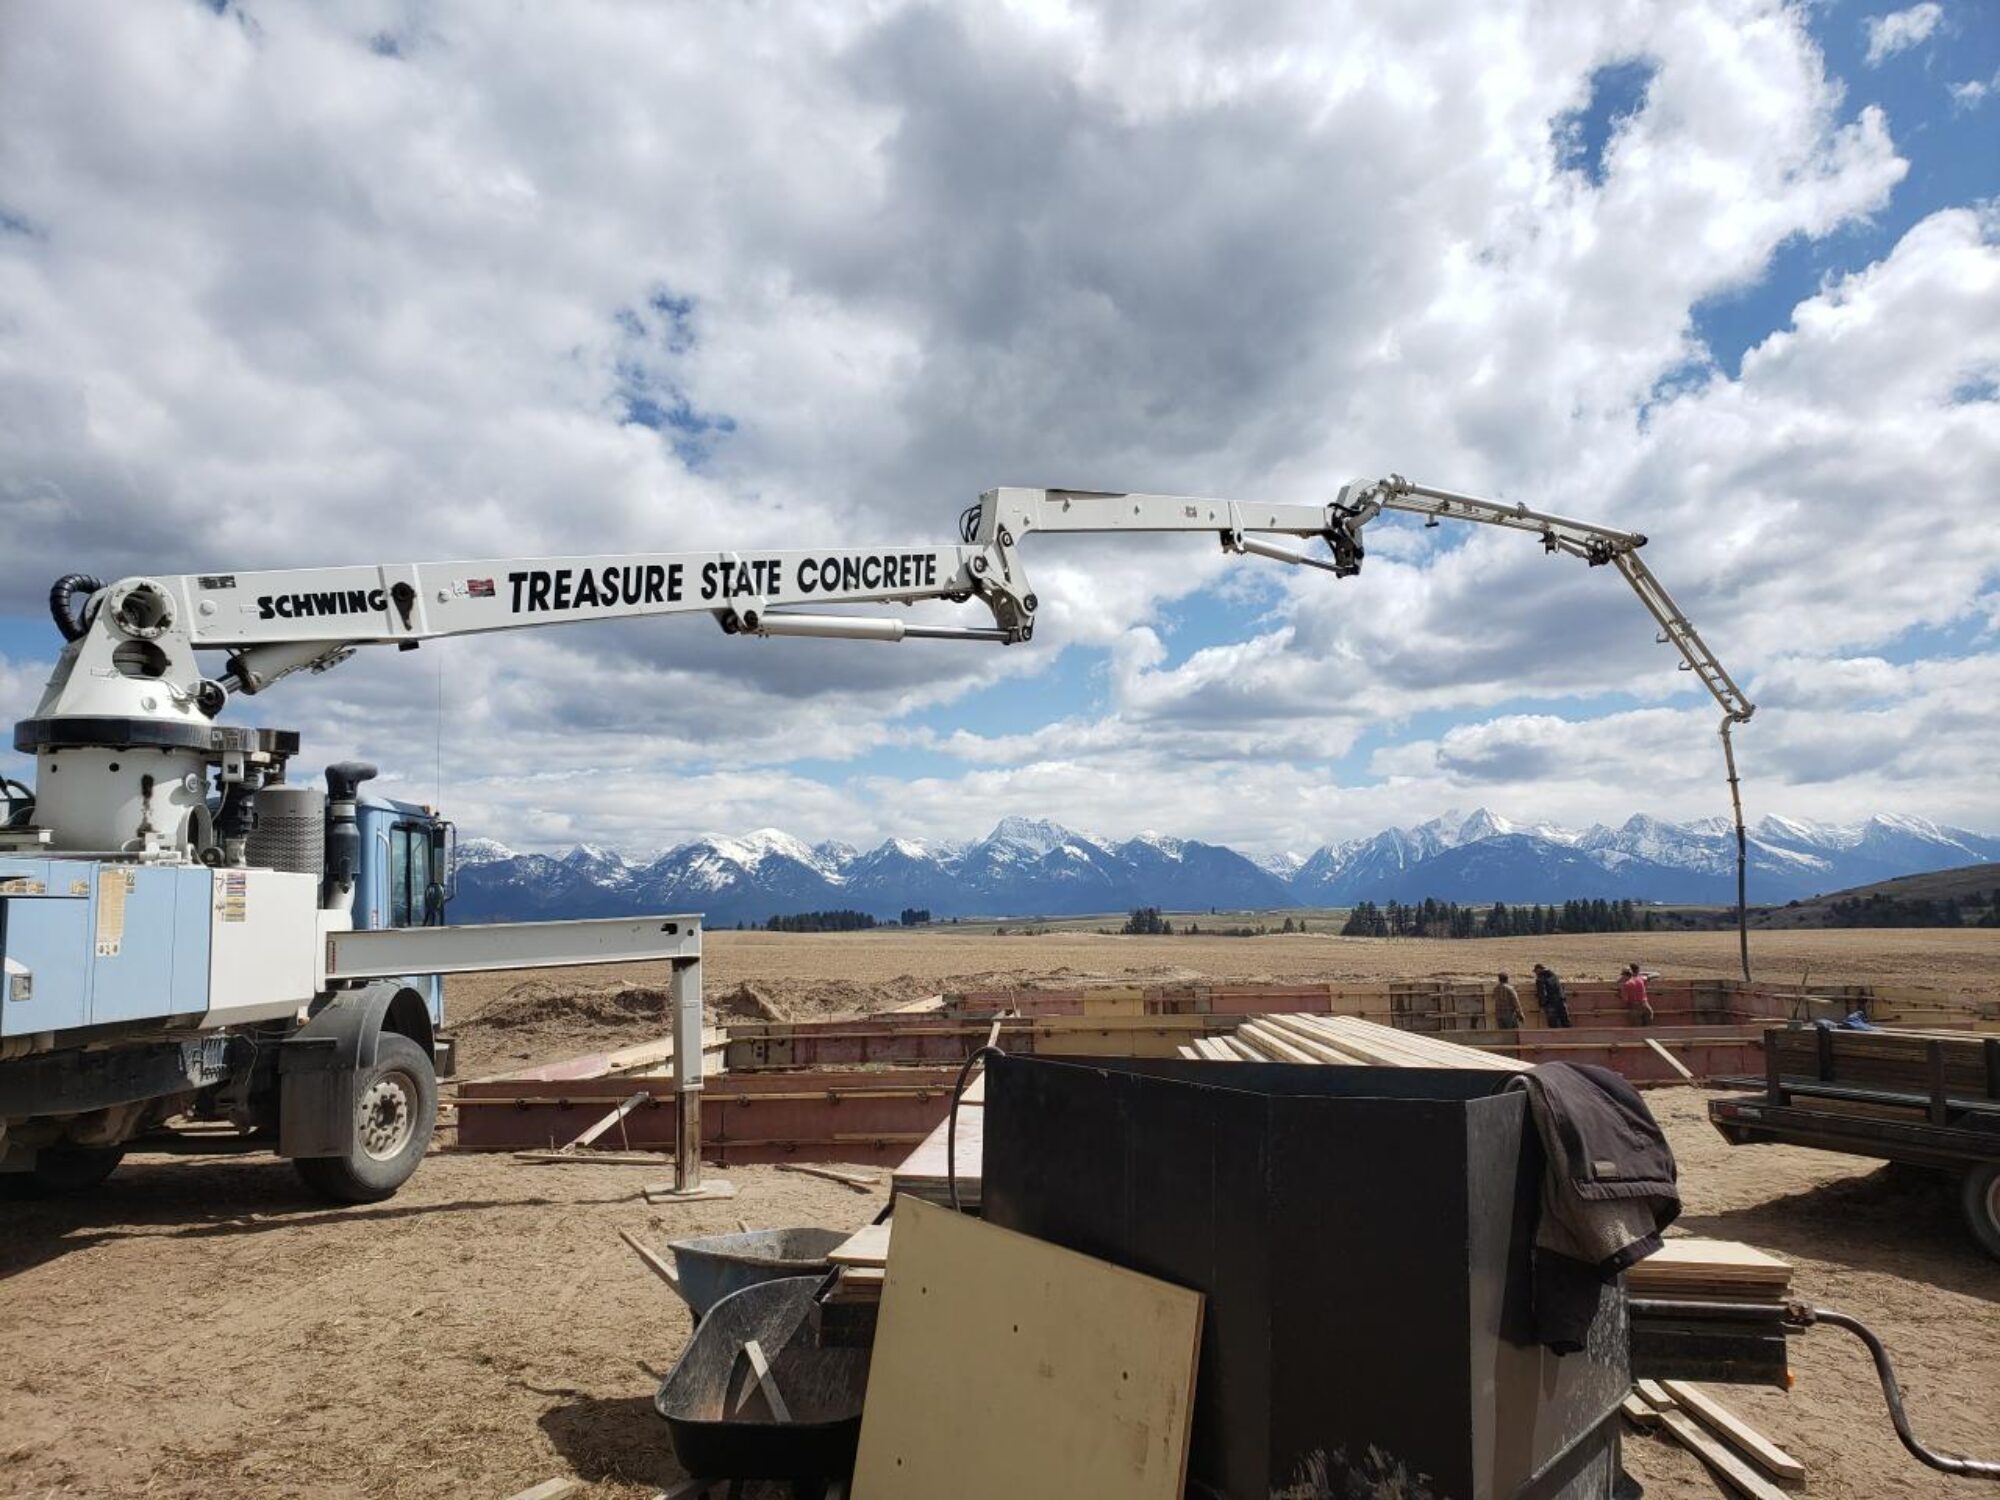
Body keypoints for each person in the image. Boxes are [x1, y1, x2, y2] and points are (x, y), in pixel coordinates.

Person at [1533, 963, 1572, 1028]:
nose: (1536, 974)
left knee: (1553, 1025)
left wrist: (1542, 1004)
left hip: (1551, 1003)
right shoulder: (1554, 976)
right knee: (1566, 1023)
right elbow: (1560, 988)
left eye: (1536, 971)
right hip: (1561, 1001)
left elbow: (1542, 993)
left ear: (1538, 970)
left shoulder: (1540, 979)